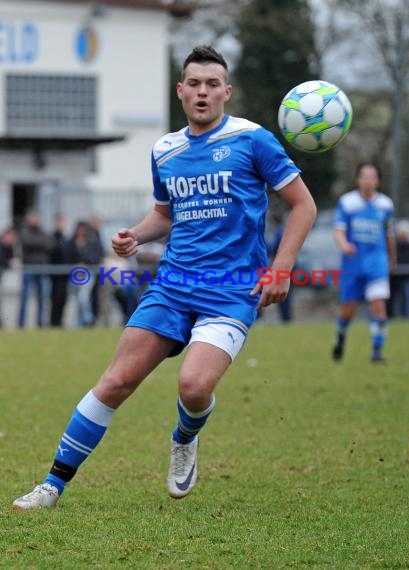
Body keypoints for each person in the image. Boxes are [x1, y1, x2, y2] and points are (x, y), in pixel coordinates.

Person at [12, 45, 316, 509]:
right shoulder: (165, 150)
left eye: (212, 84)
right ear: (180, 90)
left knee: (194, 387)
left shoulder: (253, 140)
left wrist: (281, 268)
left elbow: (303, 205)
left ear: (226, 92)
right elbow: (164, 215)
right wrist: (135, 234)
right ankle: (51, 486)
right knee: (114, 382)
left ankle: (184, 437)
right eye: (194, 83)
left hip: (231, 290)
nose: (202, 92)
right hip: (172, 286)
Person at [331, 162, 396, 363]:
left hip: (377, 262)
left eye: (372, 177)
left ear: (378, 181)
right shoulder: (347, 203)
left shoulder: (386, 205)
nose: (368, 181)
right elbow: (339, 230)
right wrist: (344, 245)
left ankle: (377, 352)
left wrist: (392, 258)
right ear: (358, 179)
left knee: (378, 304)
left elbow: (389, 234)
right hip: (353, 262)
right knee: (348, 309)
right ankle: (340, 338)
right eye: (364, 177)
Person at [17, 211, 53, 328]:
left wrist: (38, 242)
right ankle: (21, 324)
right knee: (24, 298)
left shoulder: (42, 231)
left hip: (41, 268)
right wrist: (40, 242)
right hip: (28, 268)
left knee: (42, 298)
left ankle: (40, 323)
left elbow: (50, 244)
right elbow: (28, 242)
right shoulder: (24, 231)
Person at [387, 220, 409, 319]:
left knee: (406, 294)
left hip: (408, 277)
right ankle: (391, 316)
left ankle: (405, 316)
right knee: (391, 296)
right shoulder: (394, 246)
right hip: (394, 277)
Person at [49, 213, 70, 327]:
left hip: (64, 274)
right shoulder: (52, 238)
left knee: (63, 299)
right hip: (54, 274)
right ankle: (53, 322)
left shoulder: (66, 239)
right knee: (54, 299)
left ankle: (60, 322)